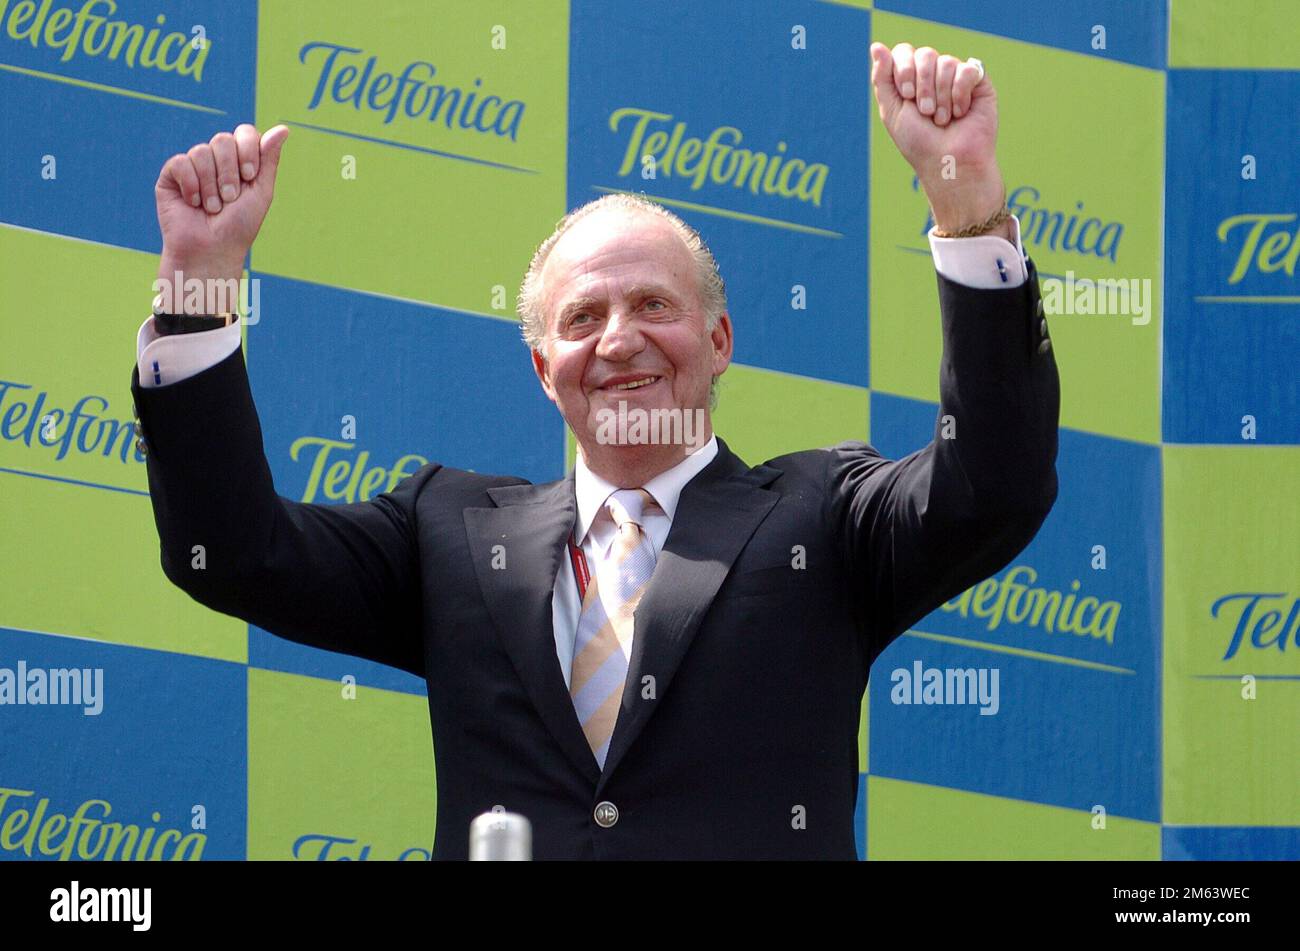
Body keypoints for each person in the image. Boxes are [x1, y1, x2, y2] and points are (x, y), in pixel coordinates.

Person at [130, 43, 1059, 859]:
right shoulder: (447, 533)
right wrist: (201, 290)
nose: (619, 341)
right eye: (584, 318)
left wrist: (968, 210)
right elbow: (231, 549)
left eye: (655, 305)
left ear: (720, 340)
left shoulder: (827, 513)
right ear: (544, 367)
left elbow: (994, 485)